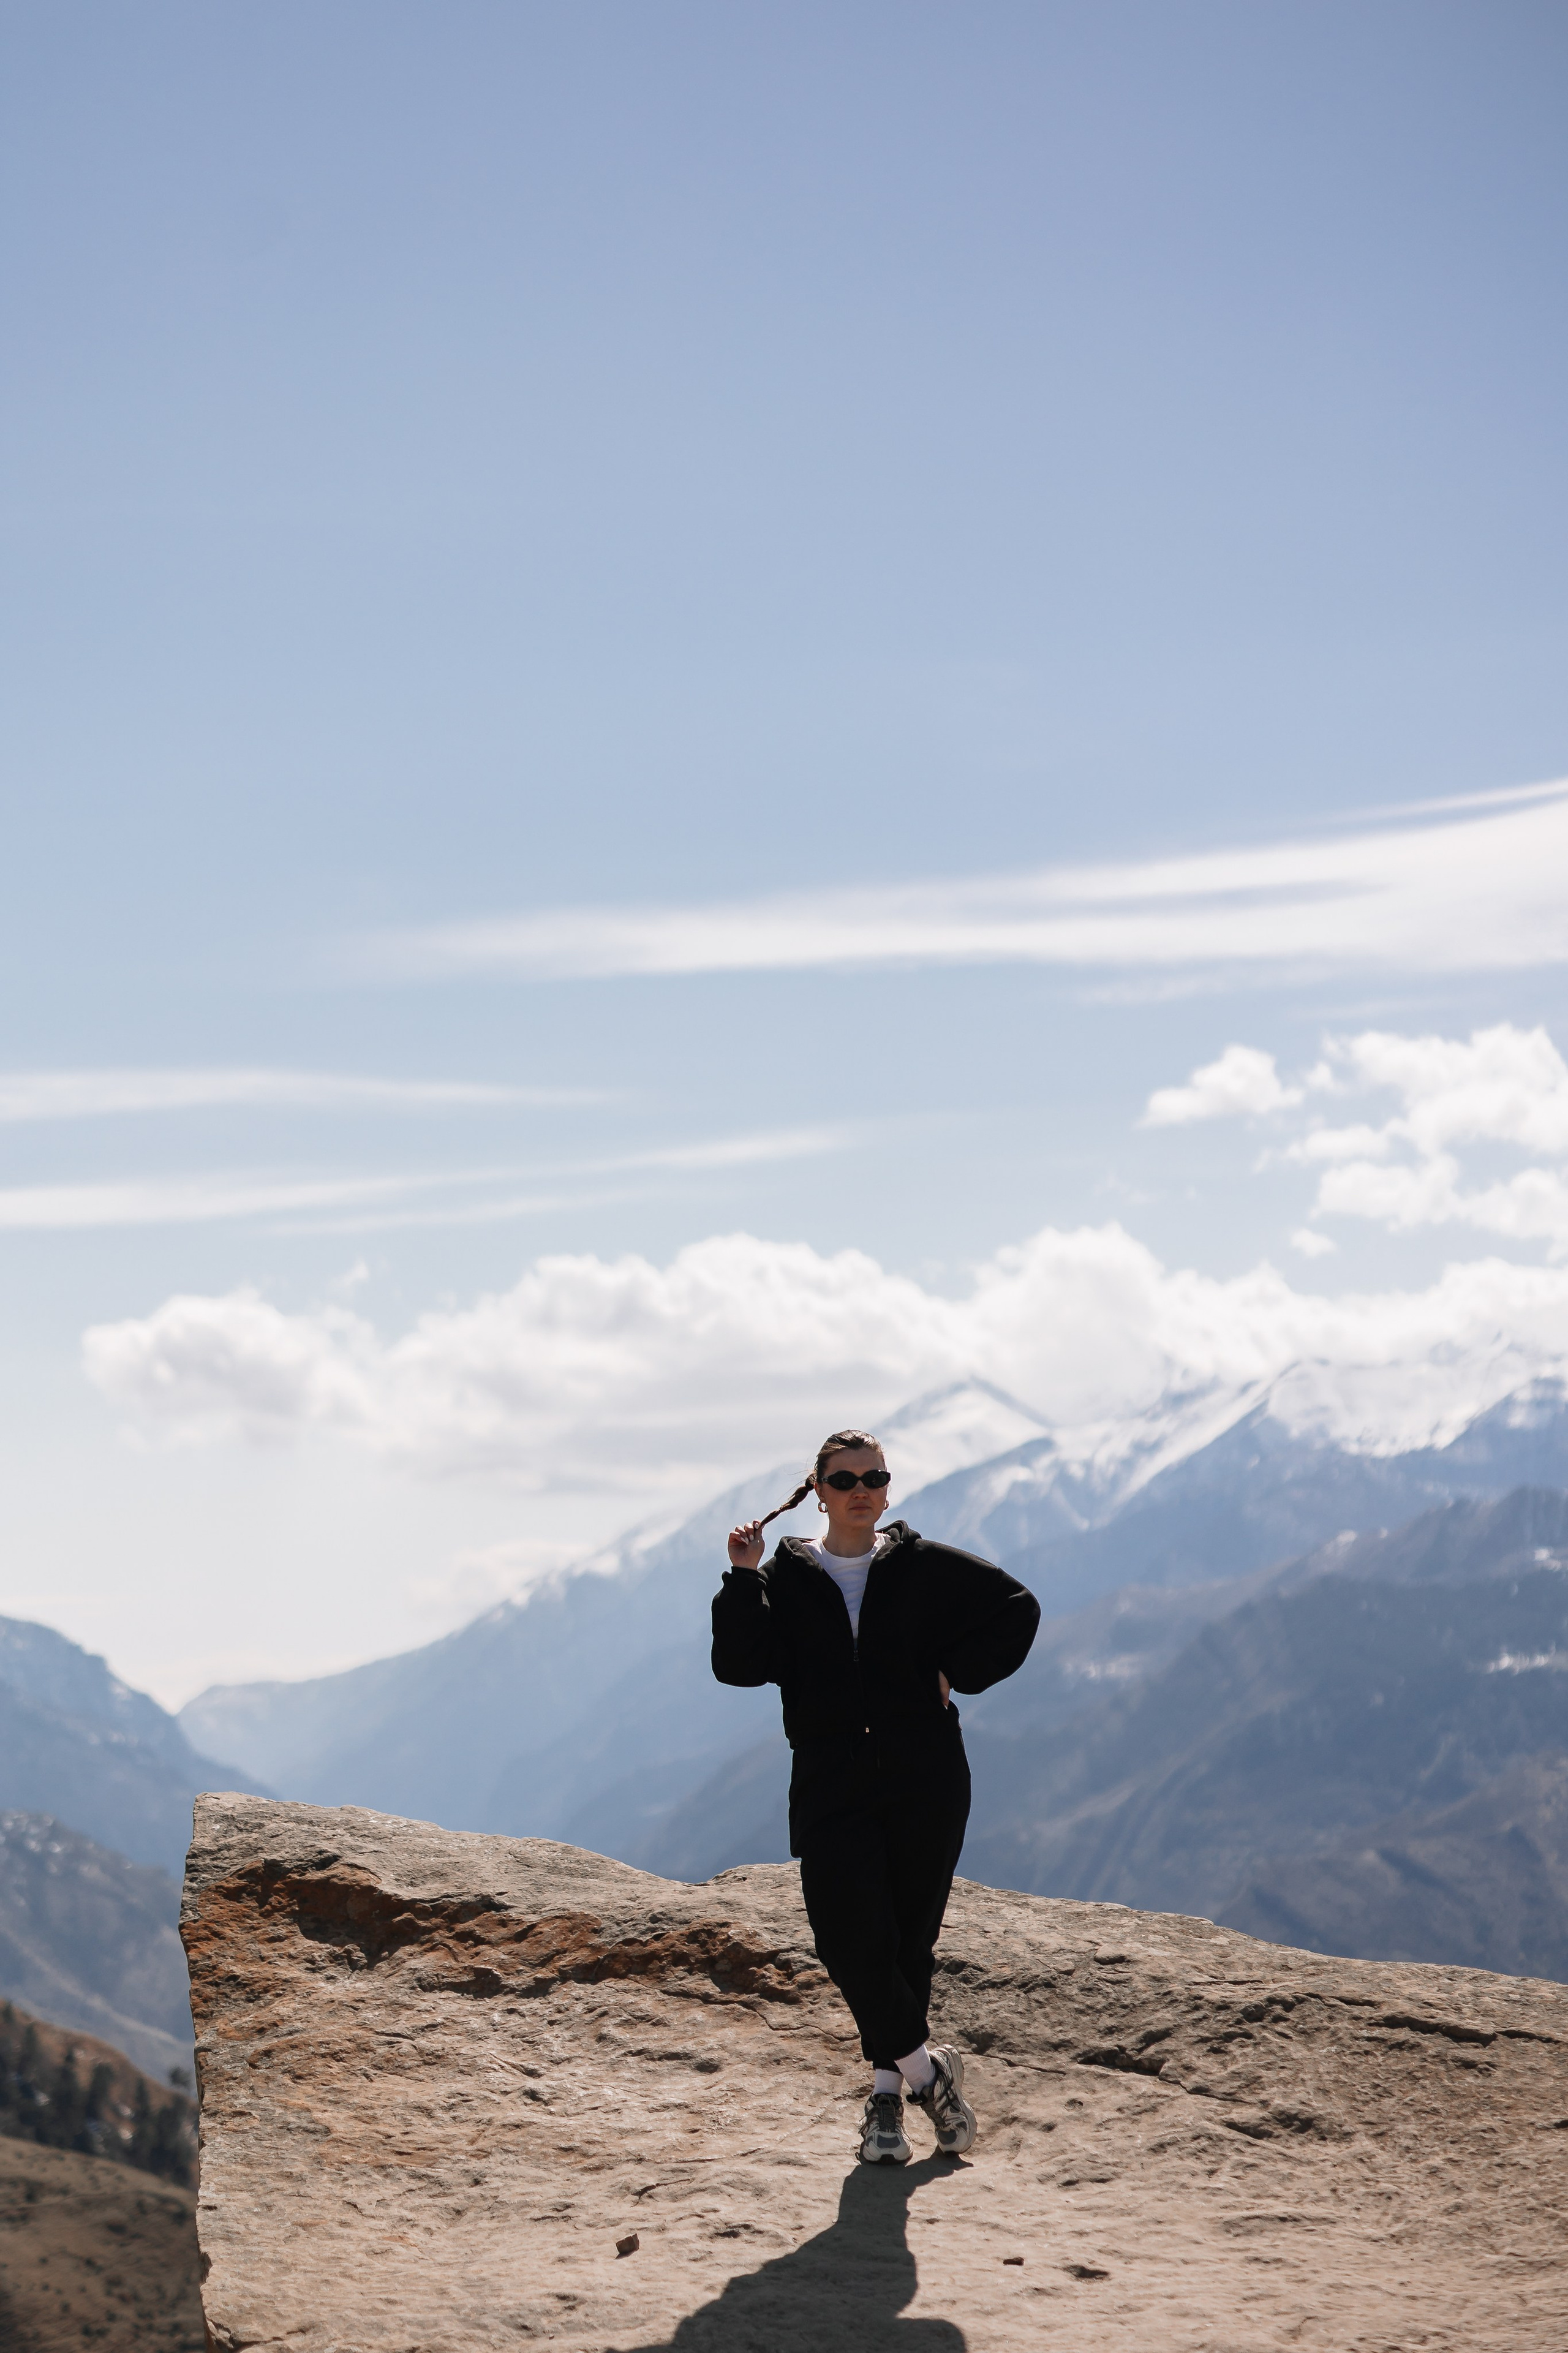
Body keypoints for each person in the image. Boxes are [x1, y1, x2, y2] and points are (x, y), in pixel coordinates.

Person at [712, 1427, 1040, 2166]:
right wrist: (741, 1577)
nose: (861, 1488)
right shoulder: (785, 1577)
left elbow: (1017, 1606)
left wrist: (954, 1672)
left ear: (887, 1488)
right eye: (844, 1478)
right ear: (818, 1491)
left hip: (927, 1774)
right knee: (843, 1936)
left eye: (874, 1476)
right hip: (831, 1780)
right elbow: (739, 1666)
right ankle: (928, 2073)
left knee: (906, 1944)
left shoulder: (924, 1565)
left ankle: (886, 2103)